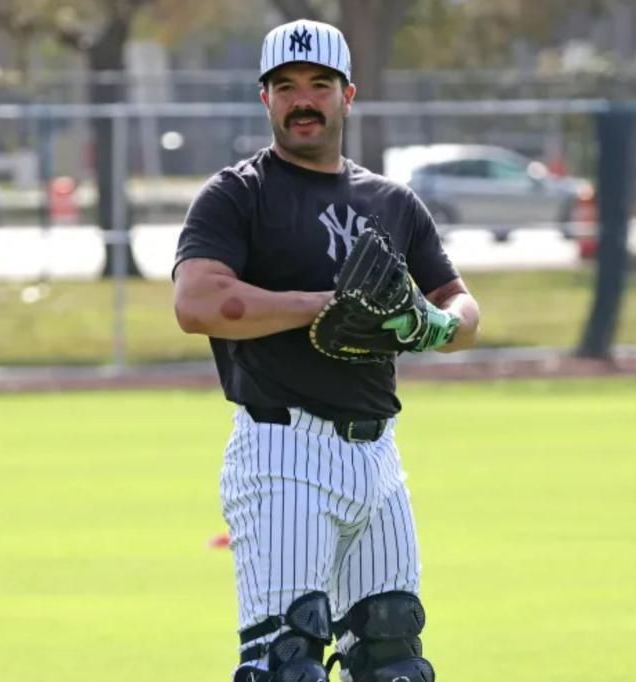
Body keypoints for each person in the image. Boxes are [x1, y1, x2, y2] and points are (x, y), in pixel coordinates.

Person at [173, 18, 481, 682]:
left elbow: (464, 309)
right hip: (283, 449)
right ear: (265, 99)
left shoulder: (392, 202)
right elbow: (197, 303)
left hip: (379, 455)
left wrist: (430, 324)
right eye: (285, 86)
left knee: (394, 660)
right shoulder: (239, 195)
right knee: (286, 666)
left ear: (348, 94)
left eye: (320, 83)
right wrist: (322, 307)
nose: (302, 99)